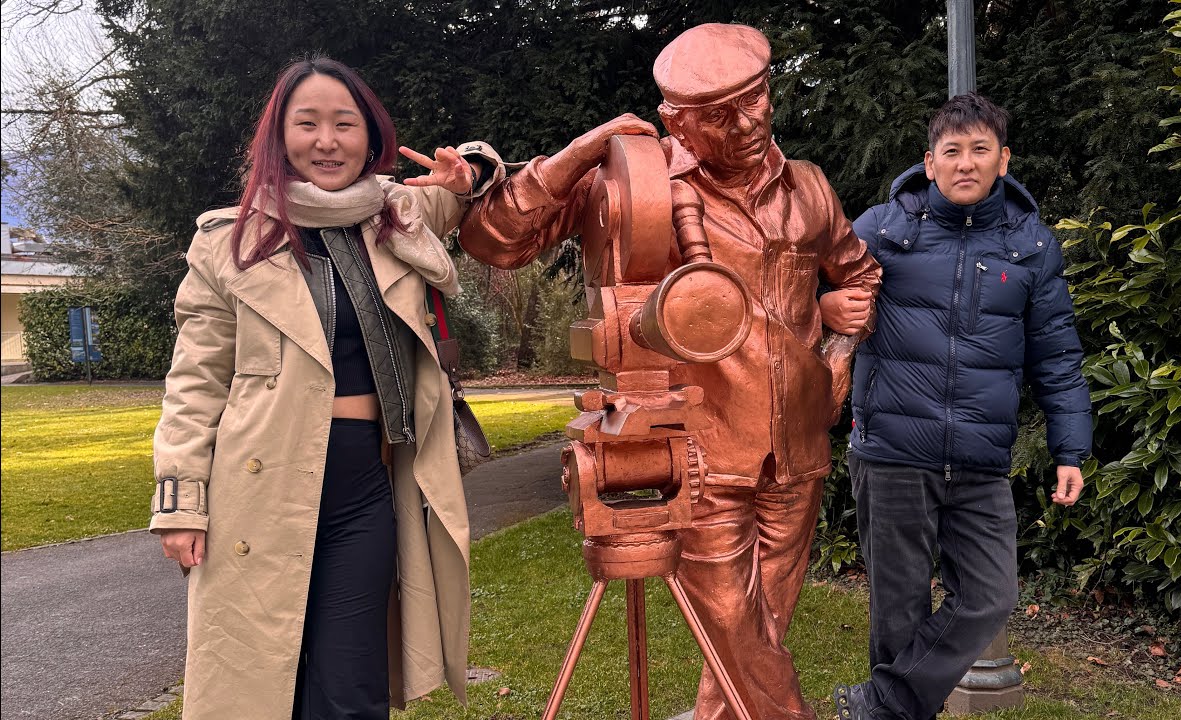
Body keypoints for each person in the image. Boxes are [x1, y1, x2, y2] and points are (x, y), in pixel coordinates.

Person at [459, 23, 881, 720]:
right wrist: (581, 152)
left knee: (758, 632)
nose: (746, 123)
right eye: (718, 114)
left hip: (797, 451)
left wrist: (837, 353)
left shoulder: (808, 186)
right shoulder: (630, 186)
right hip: (697, 453)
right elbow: (494, 239)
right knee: (737, 629)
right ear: (673, 121)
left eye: (756, 99)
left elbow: (859, 276)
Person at [148, 56, 505, 720]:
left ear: (372, 137)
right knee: (262, 684)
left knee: (351, 687)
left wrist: (472, 170)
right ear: (279, 138)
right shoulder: (228, 242)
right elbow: (194, 383)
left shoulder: (394, 212)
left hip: (365, 489)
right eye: (306, 123)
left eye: (344, 123)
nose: (326, 140)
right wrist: (180, 504)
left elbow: (471, 180)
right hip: (255, 490)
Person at [825, 93, 1092, 720]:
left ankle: (881, 706)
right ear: (929, 161)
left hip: (979, 459)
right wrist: (824, 308)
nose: (965, 163)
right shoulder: (880, 231)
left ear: (1003, 160)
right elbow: (795, 294)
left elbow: (1057, 355)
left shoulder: (1031, 246)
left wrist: (1069, 449)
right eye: (952, 151)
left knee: (990, 597)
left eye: (980, 150)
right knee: (897, 612)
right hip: (891, 452)